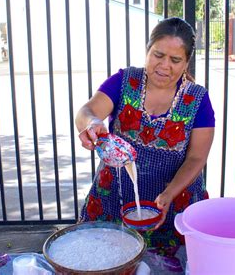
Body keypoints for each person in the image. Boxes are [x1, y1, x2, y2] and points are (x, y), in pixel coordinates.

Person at [76, 17, 215, 257]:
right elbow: (87, 111)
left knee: (169, 266)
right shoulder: (124, 81)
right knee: (105, 259)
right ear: (147, 50)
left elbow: (196, 158)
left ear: (186, 63)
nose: (164, 66)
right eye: (158, 55)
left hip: (173, 203)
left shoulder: (198, 100)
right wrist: (93, 123)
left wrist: (170, 194)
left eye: (175, 60)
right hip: (114, 198)